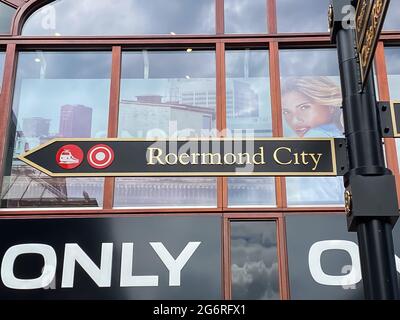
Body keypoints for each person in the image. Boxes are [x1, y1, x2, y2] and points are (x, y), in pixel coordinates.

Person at [281, 76, 345, 206]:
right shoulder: (341, 137)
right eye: (286, 112)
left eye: (304, 107)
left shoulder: (315, 139)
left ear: (330, 106)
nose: (294, 120)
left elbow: (322, 203)